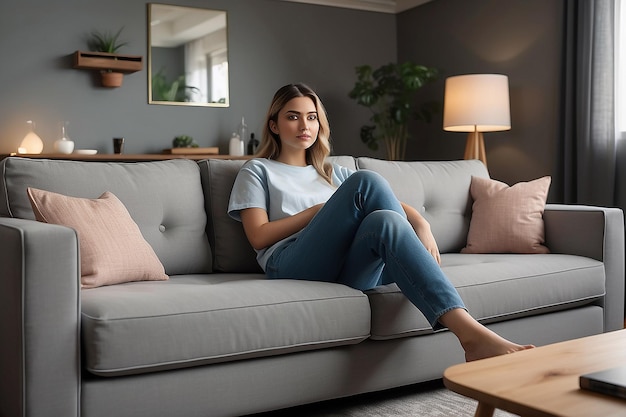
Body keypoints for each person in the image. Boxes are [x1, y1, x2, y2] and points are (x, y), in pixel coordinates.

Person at [228, 83, 534, 362]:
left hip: (346, 269)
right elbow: (258, 236)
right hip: (290, 262)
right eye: (293, 117)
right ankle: (468, 329)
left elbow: (393, 203)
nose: (304, 125)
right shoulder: (257, 170)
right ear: (274, 125)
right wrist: (318, 211)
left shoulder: (333, 173)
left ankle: (469, 335)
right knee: (367, 181)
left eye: (311, 117)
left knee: (386, 219)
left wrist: (423, 226)